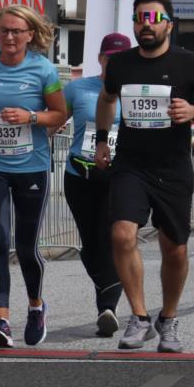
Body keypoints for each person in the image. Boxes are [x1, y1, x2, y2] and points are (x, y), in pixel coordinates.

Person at [94, 0, 194, 353]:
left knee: (175, 249)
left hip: (172, 168)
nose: (147, 25)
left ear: (169, 25)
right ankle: (139, 317)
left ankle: (168, 318)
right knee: (122, 235)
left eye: (154, 19)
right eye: (140, 18)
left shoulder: (189, 63)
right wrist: (102, 140)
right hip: (131, 165)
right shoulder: (120, 64)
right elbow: (106, 99)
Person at [0, 4, 68, 348]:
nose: (9, 37)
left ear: (29, 35)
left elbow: (59, 114)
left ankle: (36, 307)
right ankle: (2, 320)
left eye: (17, 31)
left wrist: (30, 117)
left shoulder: (42, 69)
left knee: (26, 247)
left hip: (30, 166)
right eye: (4, 30)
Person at [59, 32, 131, 337]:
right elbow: (54, 120)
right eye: (109, 57)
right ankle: (108, 290)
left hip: (120, 176)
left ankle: (107, 307)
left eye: (121, 58)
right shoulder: (77, 89)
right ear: (100, 58)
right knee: (90, 244)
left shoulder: (135, 93)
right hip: (80, 174)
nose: (114, 63)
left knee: (114, 237)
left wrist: (192, 141)